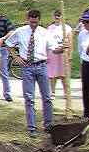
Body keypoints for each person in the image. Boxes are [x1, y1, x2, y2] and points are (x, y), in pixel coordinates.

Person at [5, 9, 68, 138]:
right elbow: (8, 43)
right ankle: (32, 127)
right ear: (27, 20)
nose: (33, 24)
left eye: (36, 21)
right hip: (27, 67)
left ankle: (48, 125)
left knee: (47, 97)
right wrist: (16, 57)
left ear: (39, 20)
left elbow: (54, 49)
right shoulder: (20, 32)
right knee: (29, 98)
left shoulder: (44, 33)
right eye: (31, 21)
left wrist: (62, 48)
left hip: (41, 66)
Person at [46, 10, 72, 100]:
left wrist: (70, 54)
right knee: (52, 74)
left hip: (63, 52)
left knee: (63, 74)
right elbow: (46, 42)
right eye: (55, 15)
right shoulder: (49, 28)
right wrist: (46, 55)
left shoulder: (67, 28)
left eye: (59, 15)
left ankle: (66, 92)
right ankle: (52, 92)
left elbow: (70, 41)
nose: (57, 17)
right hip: (52, 52)